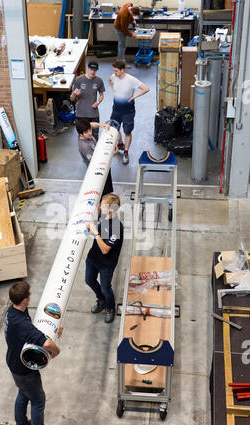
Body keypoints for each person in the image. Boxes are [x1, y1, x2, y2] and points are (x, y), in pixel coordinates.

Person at [4, 281, 63, 425]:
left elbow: (31, 331)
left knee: (23, 393)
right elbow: (46, 344)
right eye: (29, 294)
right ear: (24, 300)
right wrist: (56, 351)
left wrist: (53, 331)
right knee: (38, 400)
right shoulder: (22, 324)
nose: (31, 296)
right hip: (25, 369)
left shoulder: (13, 312)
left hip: (14, 363)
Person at [85, 193, 124, 324]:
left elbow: (105, 249)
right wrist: (90, 228)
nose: (100, 206)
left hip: (106, 264)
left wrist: (95, 233)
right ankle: (101, 300)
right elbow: (97, 231)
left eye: (103, 205)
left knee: (105, 288)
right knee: (89, 280)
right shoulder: (103, 215)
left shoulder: (117, 227)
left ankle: (110, 307)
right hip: (93, 257)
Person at [109, 59, 149, 165]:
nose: (114, 73)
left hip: (128, 111)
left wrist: (134, 97)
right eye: (113, 70)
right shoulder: (114, 77)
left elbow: (146, 88)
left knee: (127, 131)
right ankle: (120, 143)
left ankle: (125, 152)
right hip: (116, 109)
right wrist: (115, 90)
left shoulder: (131, 80)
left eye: (116, 71)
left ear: (122, 70)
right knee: (114, 128)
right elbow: (110, 80)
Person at [76, 118, 115, 196]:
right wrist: (112, 154)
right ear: (80, 134)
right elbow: (96, 161)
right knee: (103, 193)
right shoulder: (84, 146)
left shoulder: (85, 133)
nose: (90, 133)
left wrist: (101, 125)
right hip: (98, 170)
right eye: (86, 132)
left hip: (103, 165)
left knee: (108, 190)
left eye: (90, 130)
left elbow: (91, 124)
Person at [70, 61, 105, 140]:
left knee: (94, 137)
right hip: (81, 114)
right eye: (91, 69)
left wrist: (98, 102)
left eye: (95, 70)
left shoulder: (99, 80)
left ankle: (95, 151)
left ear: (97, 70)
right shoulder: (79, 80)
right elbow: (71, 98)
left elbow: (102, 95)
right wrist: (75, 94)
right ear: (88, 68)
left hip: (93, 113)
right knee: (82, 137)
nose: (92, 72)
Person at [113, 2, 141, 68]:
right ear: (131, 12)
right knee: (122, 46)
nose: (133, 16)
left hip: (122, 26)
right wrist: (131, 34)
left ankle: (120, 60)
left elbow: (131, 15)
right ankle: (121, 63)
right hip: (119, 29)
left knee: (122, 45)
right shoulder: (124, 16)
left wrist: (133, 20)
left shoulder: (129, 4)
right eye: (134, 15)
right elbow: (124, 30)